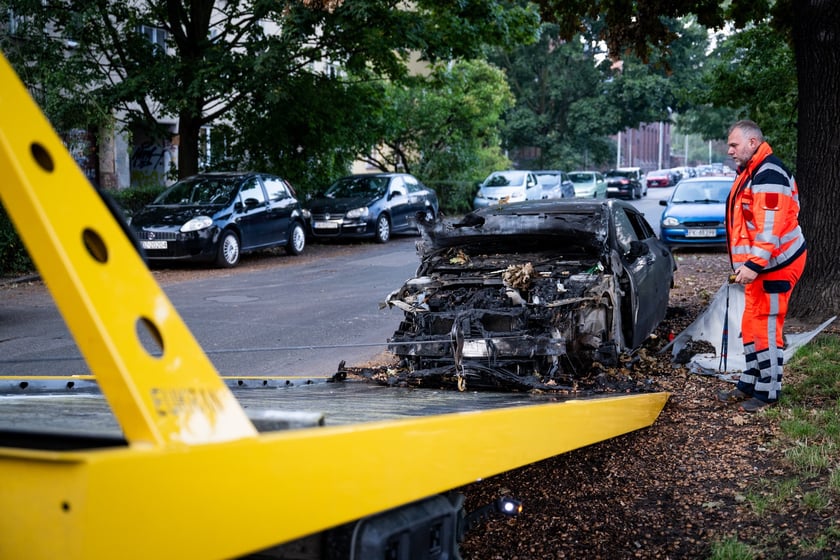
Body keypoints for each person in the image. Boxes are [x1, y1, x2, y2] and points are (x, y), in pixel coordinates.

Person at [717, 120, 807, 412]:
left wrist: (754, 264)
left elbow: (770, 227)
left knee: (766, 327)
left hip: (777, 265)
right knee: (752, 323)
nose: (729, 150)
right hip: (765, 265)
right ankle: (751, 379)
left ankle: (768, 391)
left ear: (752, 143)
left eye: (734, 144)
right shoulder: (753, 171)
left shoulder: (768, 173)